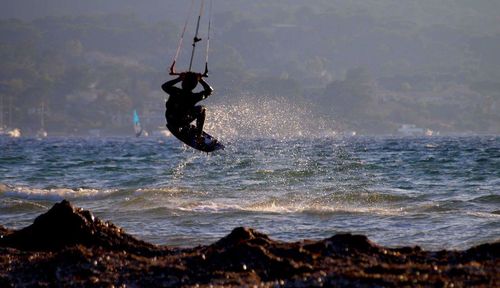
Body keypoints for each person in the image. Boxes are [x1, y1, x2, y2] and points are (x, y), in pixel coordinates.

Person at [161, 72, 213, 143]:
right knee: (202, 109)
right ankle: (198, 137)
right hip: (182, 122)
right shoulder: (195, 97)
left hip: (170, 120)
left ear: (182, 83)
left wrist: (179, 79)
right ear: (195, 85)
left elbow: (164, 86)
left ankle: (179, 127)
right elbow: (209, 91)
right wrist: (200, 80)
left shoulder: (175, 91)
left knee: (183, 113)